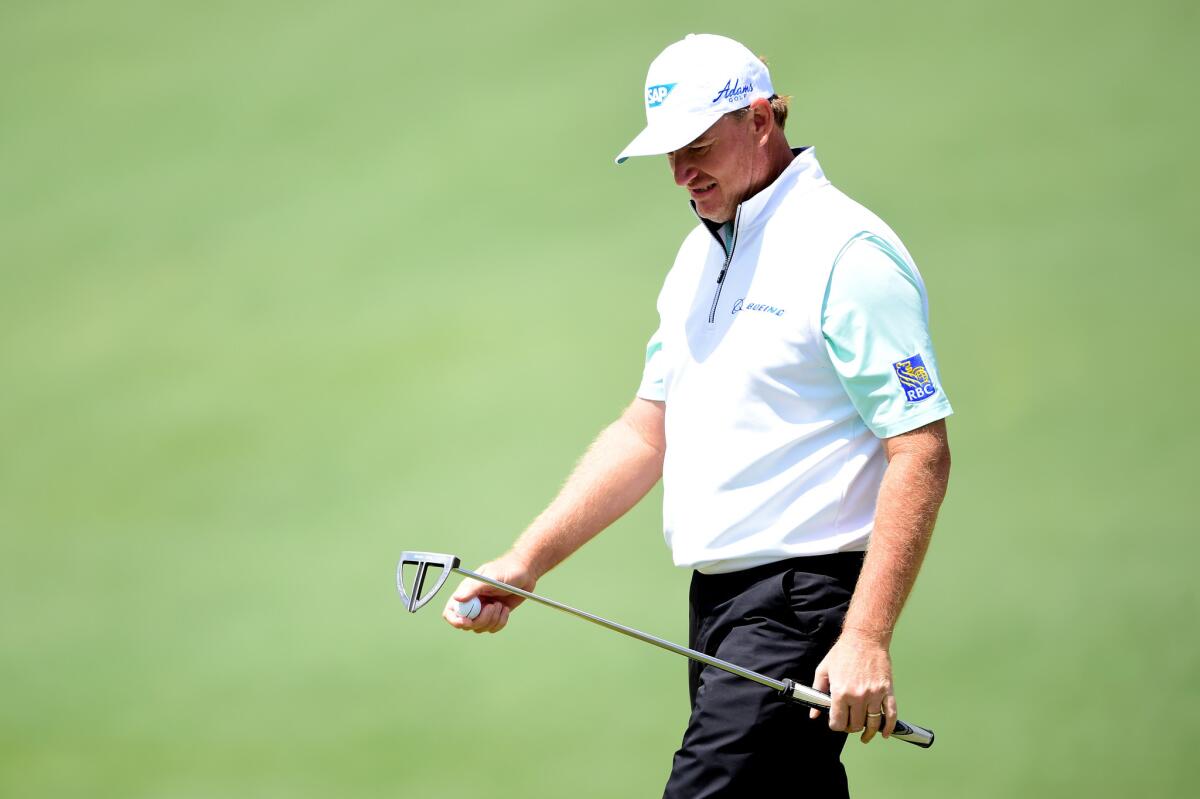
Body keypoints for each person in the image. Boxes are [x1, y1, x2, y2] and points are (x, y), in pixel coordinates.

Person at [442, 33, 952, 798]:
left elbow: (920, 450)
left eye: (697, 147)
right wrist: (528, 559)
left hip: (798, 603)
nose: (681, 174)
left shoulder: (846, 252)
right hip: (717, 603)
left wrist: (866, 636)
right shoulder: (698, 256)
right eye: (668, 155)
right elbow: (647, 432)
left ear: (759, 120)